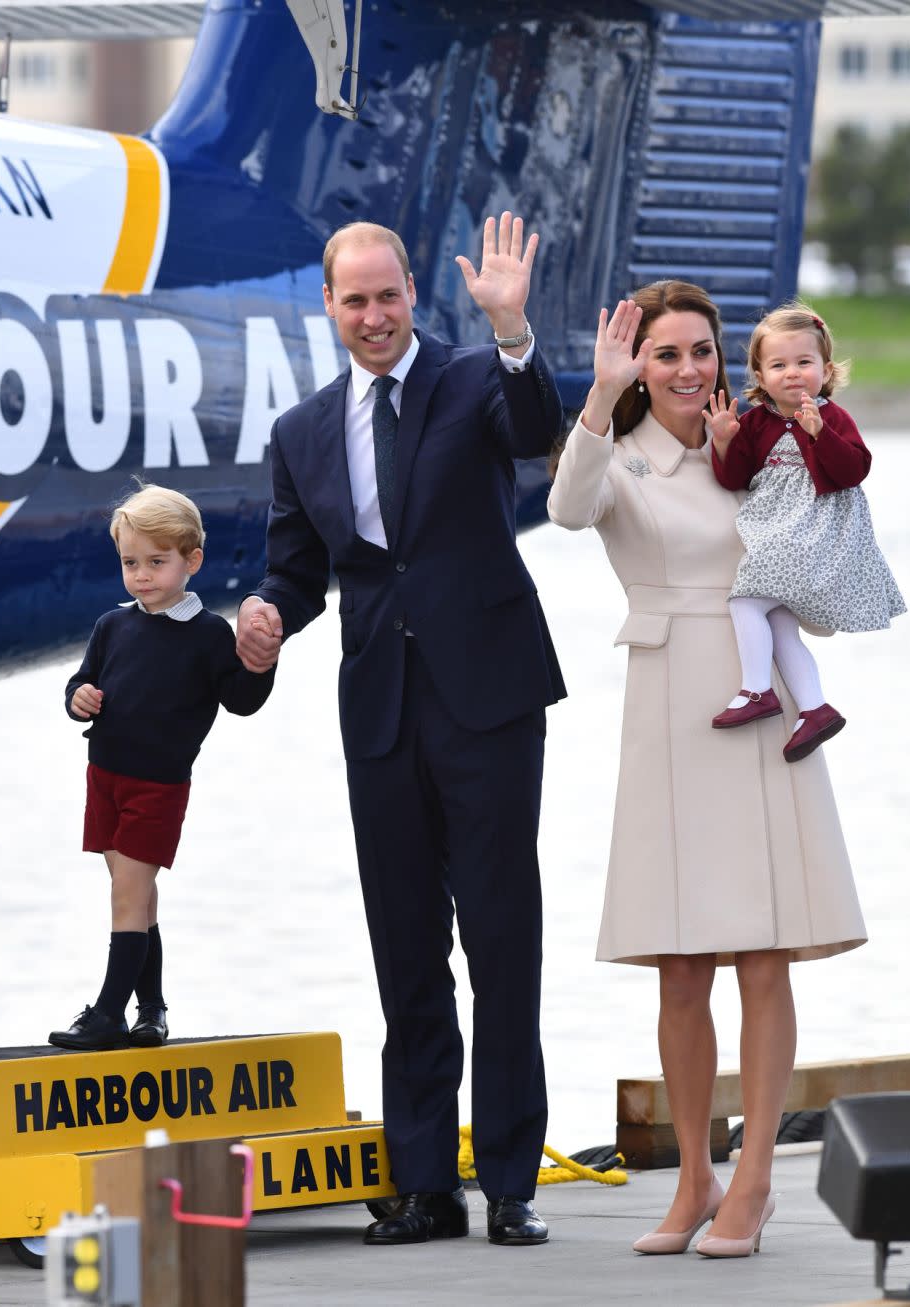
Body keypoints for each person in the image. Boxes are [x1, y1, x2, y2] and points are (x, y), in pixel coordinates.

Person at [236, 214, 565, 1247]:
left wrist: (513, 332)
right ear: (327, 307)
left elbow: (535, 431)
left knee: (503, 937)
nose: (373, 316)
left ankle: (510, 1178)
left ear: (414, 294)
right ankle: (425, 1179)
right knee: (405, 947)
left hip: (489, 695)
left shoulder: (474, 380)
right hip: (380, 706)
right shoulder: (300, 432)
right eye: (353, 300)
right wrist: (267, 616)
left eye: (388, 296)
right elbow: (301, 571)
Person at [547, 283, 867, 1259]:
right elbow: (565, 510)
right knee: (680, 965)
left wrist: (819, 482)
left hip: (759, 702)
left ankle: (758, 1177)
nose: (689, 369)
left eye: (702, 350)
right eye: (667, 353)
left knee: (763, 955)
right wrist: (599, 400)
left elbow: (815, 593)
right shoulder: (618, 454)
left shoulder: (763, 444)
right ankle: (694, 1177)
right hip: (665, 709)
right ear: (640, 363)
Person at [50, 484, 274, 1052]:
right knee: (140, 899)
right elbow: (82, 681)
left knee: (128, 895)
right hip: (104, 777)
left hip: (158, 785)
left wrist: (261, 662)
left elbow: (241, 700)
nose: (142, 574)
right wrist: (79, 697)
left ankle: (107, 1014)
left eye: (157, 561)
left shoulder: (207, 635)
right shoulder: (112, 624)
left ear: (191, 561)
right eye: (131, 562)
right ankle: (150, 1012)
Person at [708, 302, 905, 761]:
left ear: (826, 368)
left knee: (745, 599)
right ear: (759, 372)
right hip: (778, 532)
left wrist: (820, 434)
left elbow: (854, 471)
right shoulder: (756, 421)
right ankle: (814, 708)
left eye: (804, 362)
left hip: (816, 535)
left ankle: (758, 691)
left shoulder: (830, 415)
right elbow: (734, 479)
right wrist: (722, 440)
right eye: (778, 364)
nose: (792, 373)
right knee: (778, 620)